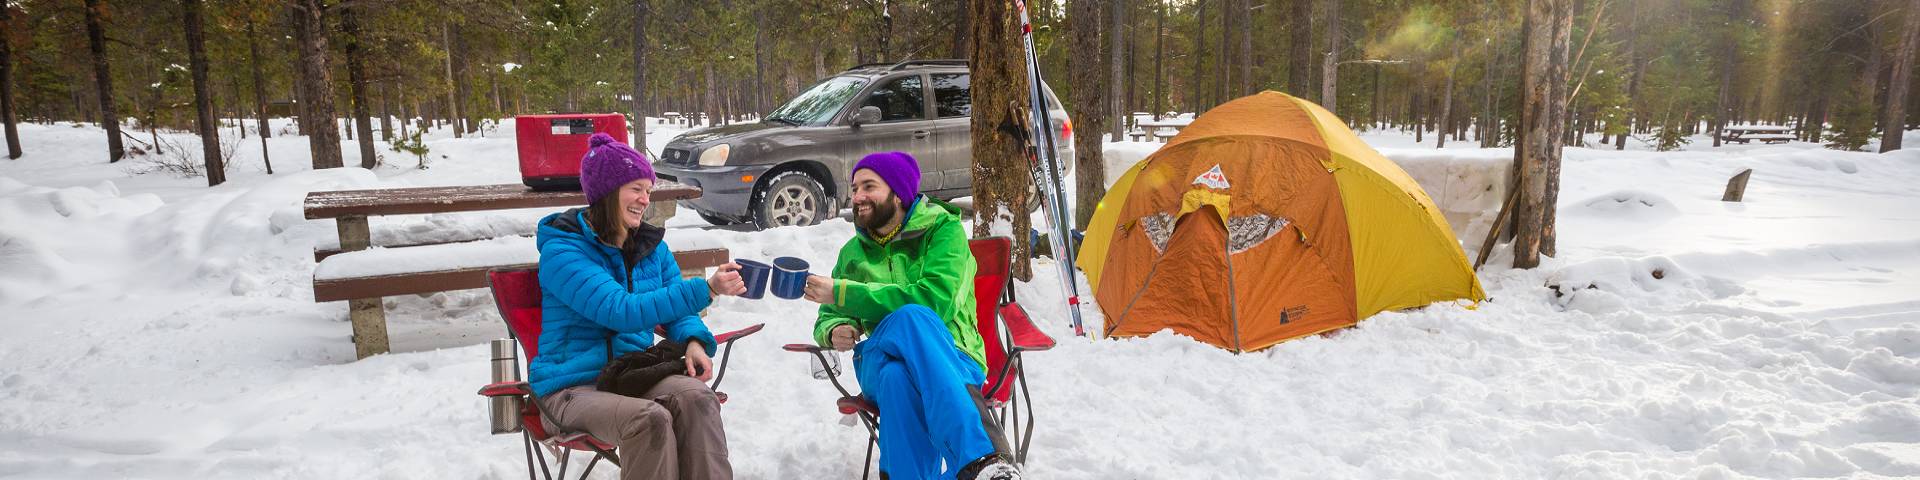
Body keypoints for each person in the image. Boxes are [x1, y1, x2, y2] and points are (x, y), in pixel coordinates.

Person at [529, 132, 747, 480]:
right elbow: (620, 310)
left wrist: (692, 339)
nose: (645, 200)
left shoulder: (651, 248)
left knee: (697, 398)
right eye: (636, 189)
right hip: (570, 389)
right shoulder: (563, 252)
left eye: (648, 190)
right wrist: (706, 288)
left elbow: (677, 307)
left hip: (629, 375)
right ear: (606, 192)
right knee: (649, 420)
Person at [802, 151, 1021, 480]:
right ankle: (981, 458)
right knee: (904, 331)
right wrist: (834, 329)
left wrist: (845, 292)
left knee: (899, 374)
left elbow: (937, 302)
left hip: (954, 359)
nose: (857, 196)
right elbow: (828, 316)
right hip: (877, 358)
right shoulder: (853, 253)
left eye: (868, 186)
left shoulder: (943, 232)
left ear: (898, 192)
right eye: (855, 187)